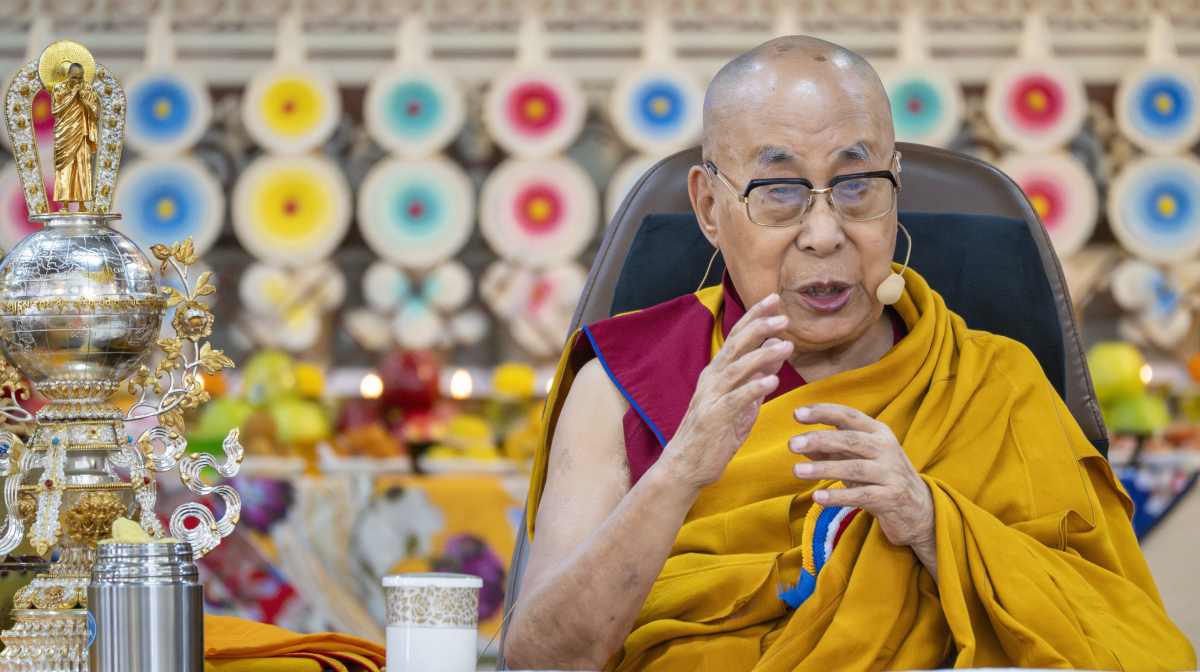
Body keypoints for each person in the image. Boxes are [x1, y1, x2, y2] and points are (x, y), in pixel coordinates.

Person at [503, 35, 1196, 671]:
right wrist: (679, 470)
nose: (824, 233)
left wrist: (930, 523)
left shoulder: (994, 384)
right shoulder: (626, 382)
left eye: (858, 187)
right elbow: (541, 660)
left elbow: (1125, 640)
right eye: (779, 192)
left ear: (896, 189)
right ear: (710, 207)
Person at [50, 61, 98, 208]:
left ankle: (82, 204)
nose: (77, 81)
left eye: (80, 78)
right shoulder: (59, 89)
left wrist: (84, 100)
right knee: (66, 167)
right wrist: (72, 95)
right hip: (65, 132)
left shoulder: (88, 89)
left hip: (82, 132)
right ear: (68, 75)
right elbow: (55, 111)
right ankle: (64, 205)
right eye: (74, 77)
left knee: (82, 166)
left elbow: (95, 113)